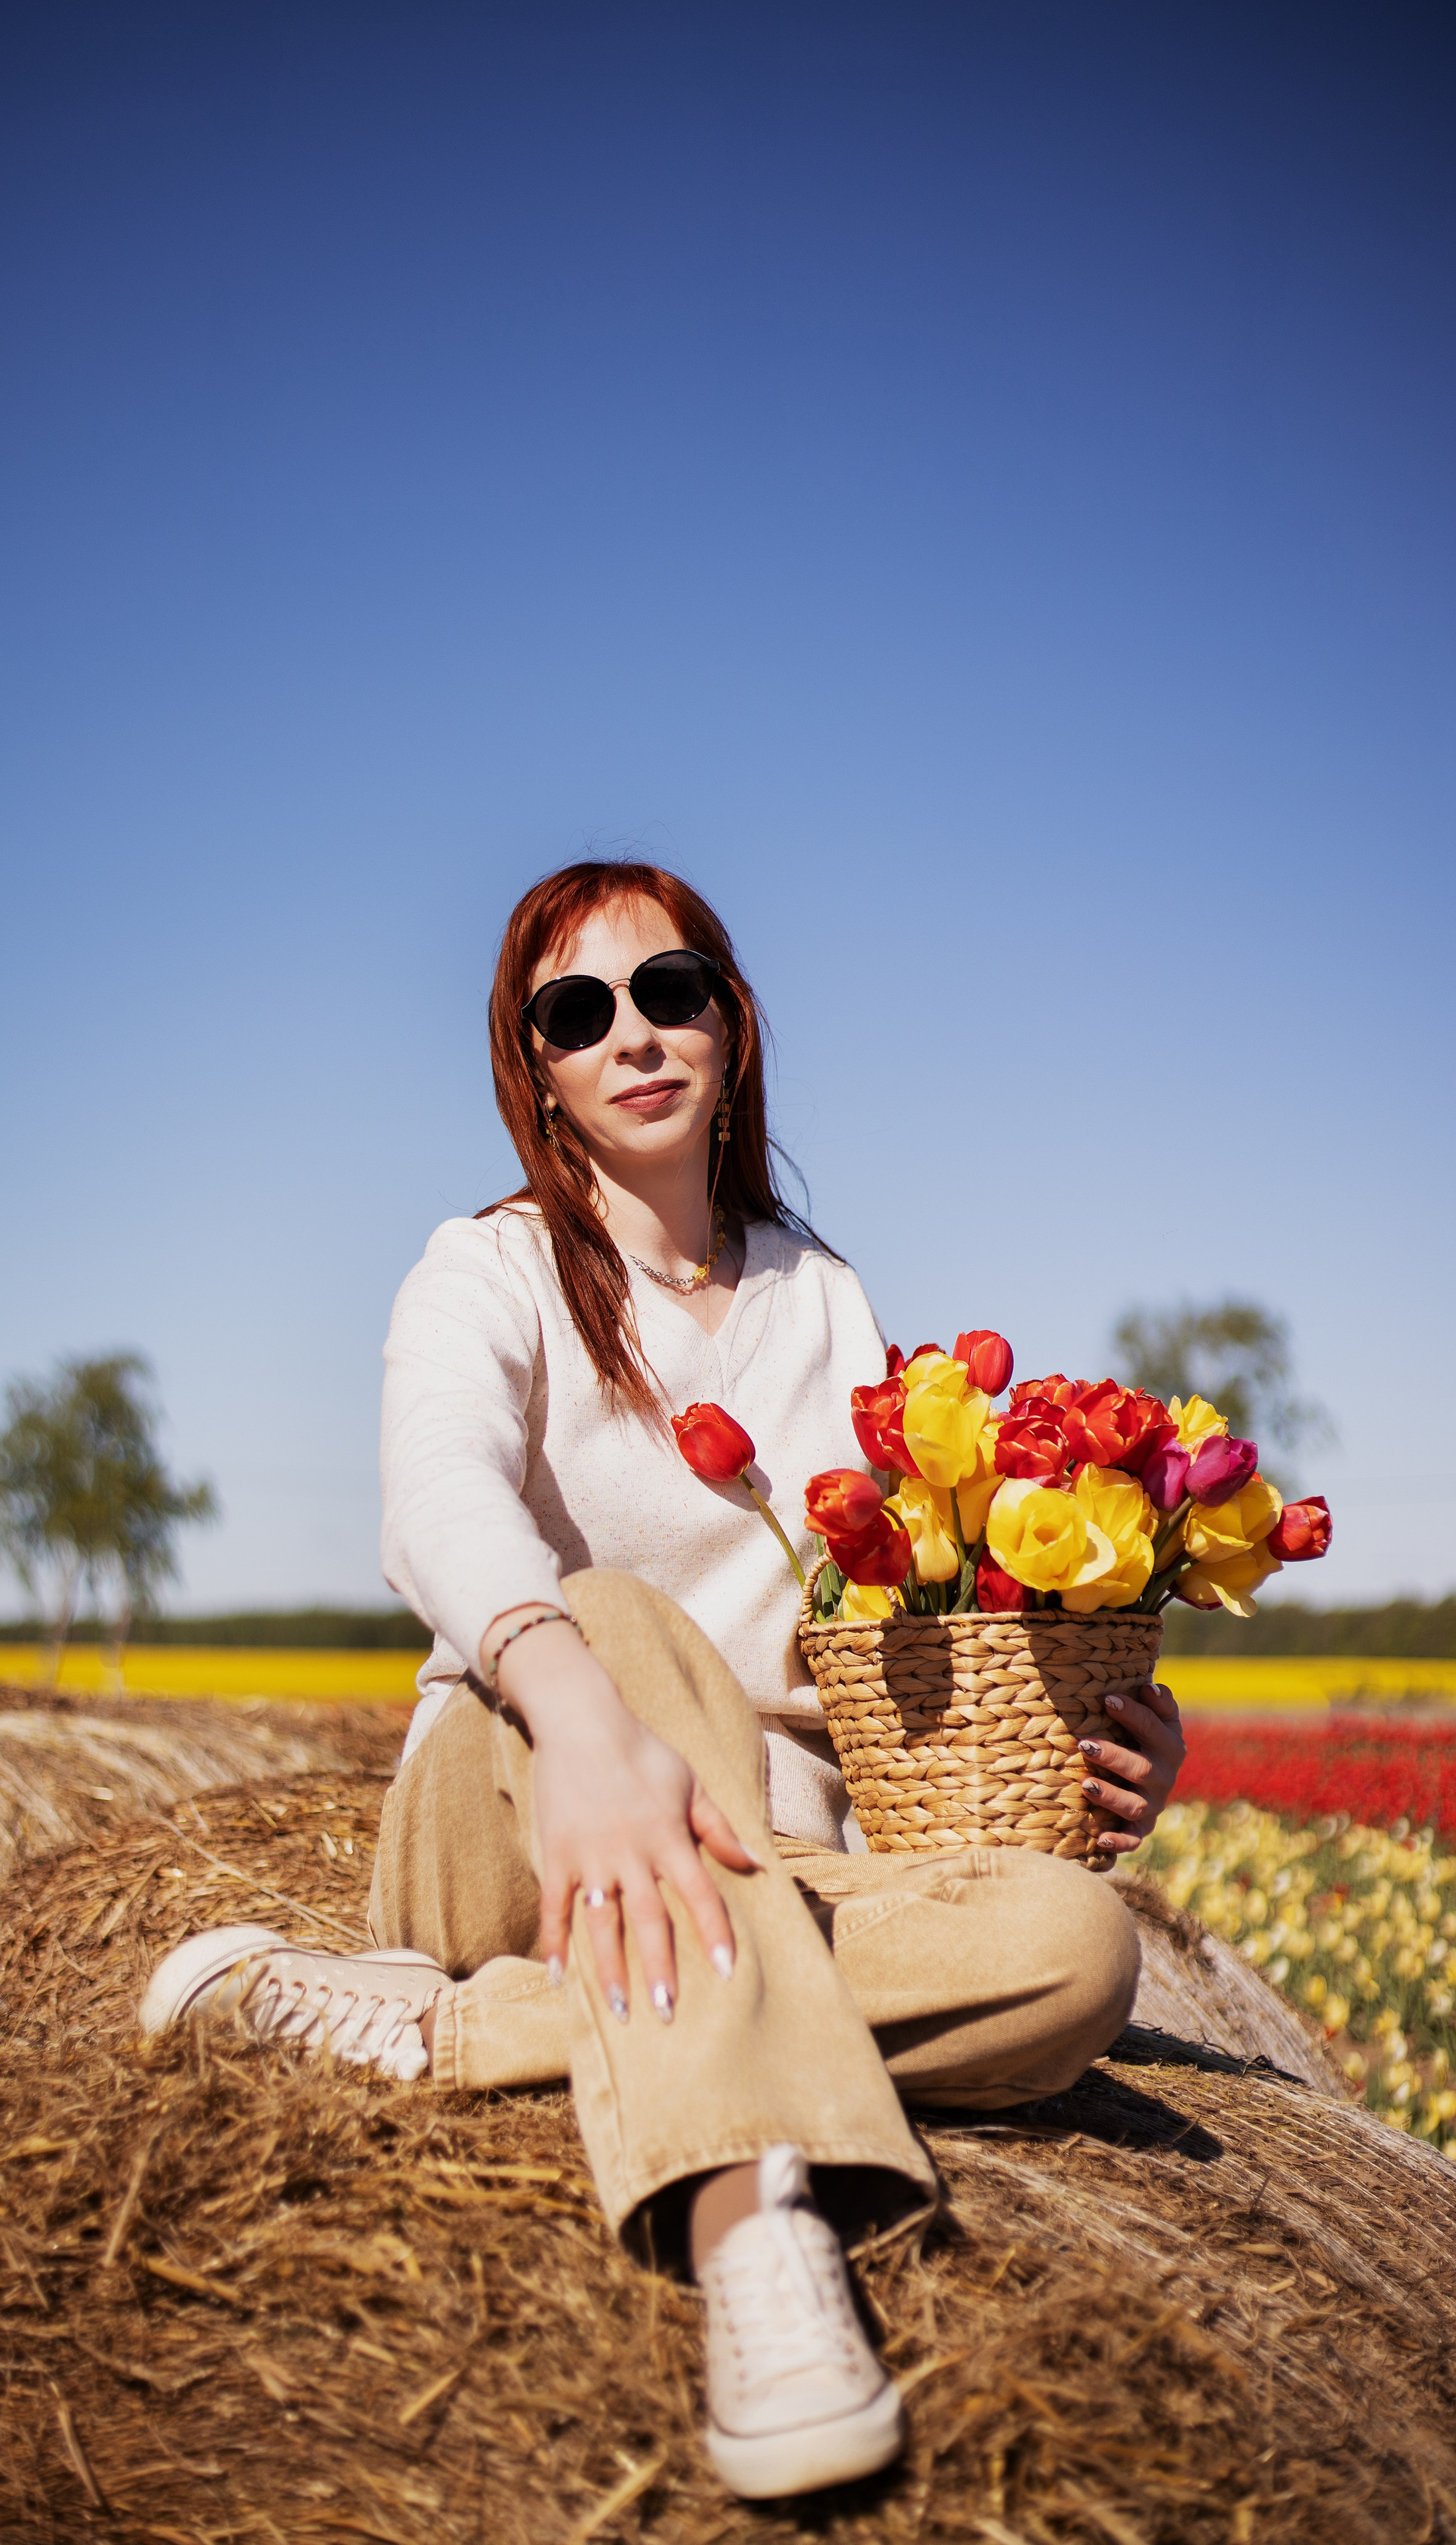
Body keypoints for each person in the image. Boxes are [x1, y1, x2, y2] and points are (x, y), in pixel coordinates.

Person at [140, 860, 1187, 2501]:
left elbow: (884, 1595)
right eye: (578, 1011)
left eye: (668, 991)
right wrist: (573, 1710)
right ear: (535, 1068)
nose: (630, 1033)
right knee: (622, 1615)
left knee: (1074, 1955)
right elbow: (437, 1499)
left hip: (771, 1864)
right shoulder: (484, 1273)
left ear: (727, 1023)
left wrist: (1089, 1728)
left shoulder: (818, 1293)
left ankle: (449, 2039)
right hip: (520, 1805)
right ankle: (750, 2221)